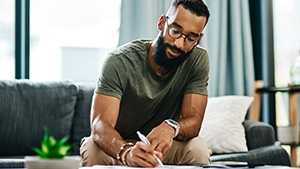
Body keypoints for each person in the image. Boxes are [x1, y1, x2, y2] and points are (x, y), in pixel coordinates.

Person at [80, 0, 211, 167]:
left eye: (190, 38)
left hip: (162, 147)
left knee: (197, 147)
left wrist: (171, 127)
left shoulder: (197, 60)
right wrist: (126, 152)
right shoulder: (119, 61)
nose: (178, 43)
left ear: (198, 39)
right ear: (162, 22)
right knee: (92, 147)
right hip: (119, 145)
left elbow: (194, 121)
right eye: (175, 31)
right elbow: (100, 125)